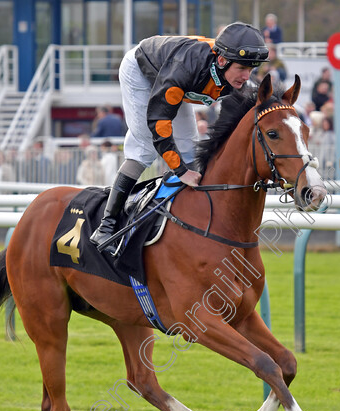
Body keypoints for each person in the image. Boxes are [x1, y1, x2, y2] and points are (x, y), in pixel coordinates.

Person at [89, 22, 269, 248]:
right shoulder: (186, 70)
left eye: (251, 69)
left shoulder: (233, 75)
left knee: (190, 148)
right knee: (145, 148)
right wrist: (181, 171)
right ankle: (105, 226)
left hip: (176, 75)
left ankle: (192, 217)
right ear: (222, 61)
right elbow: (159, 123)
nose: (246, 76)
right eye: (242, 69)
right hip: (142, 71)